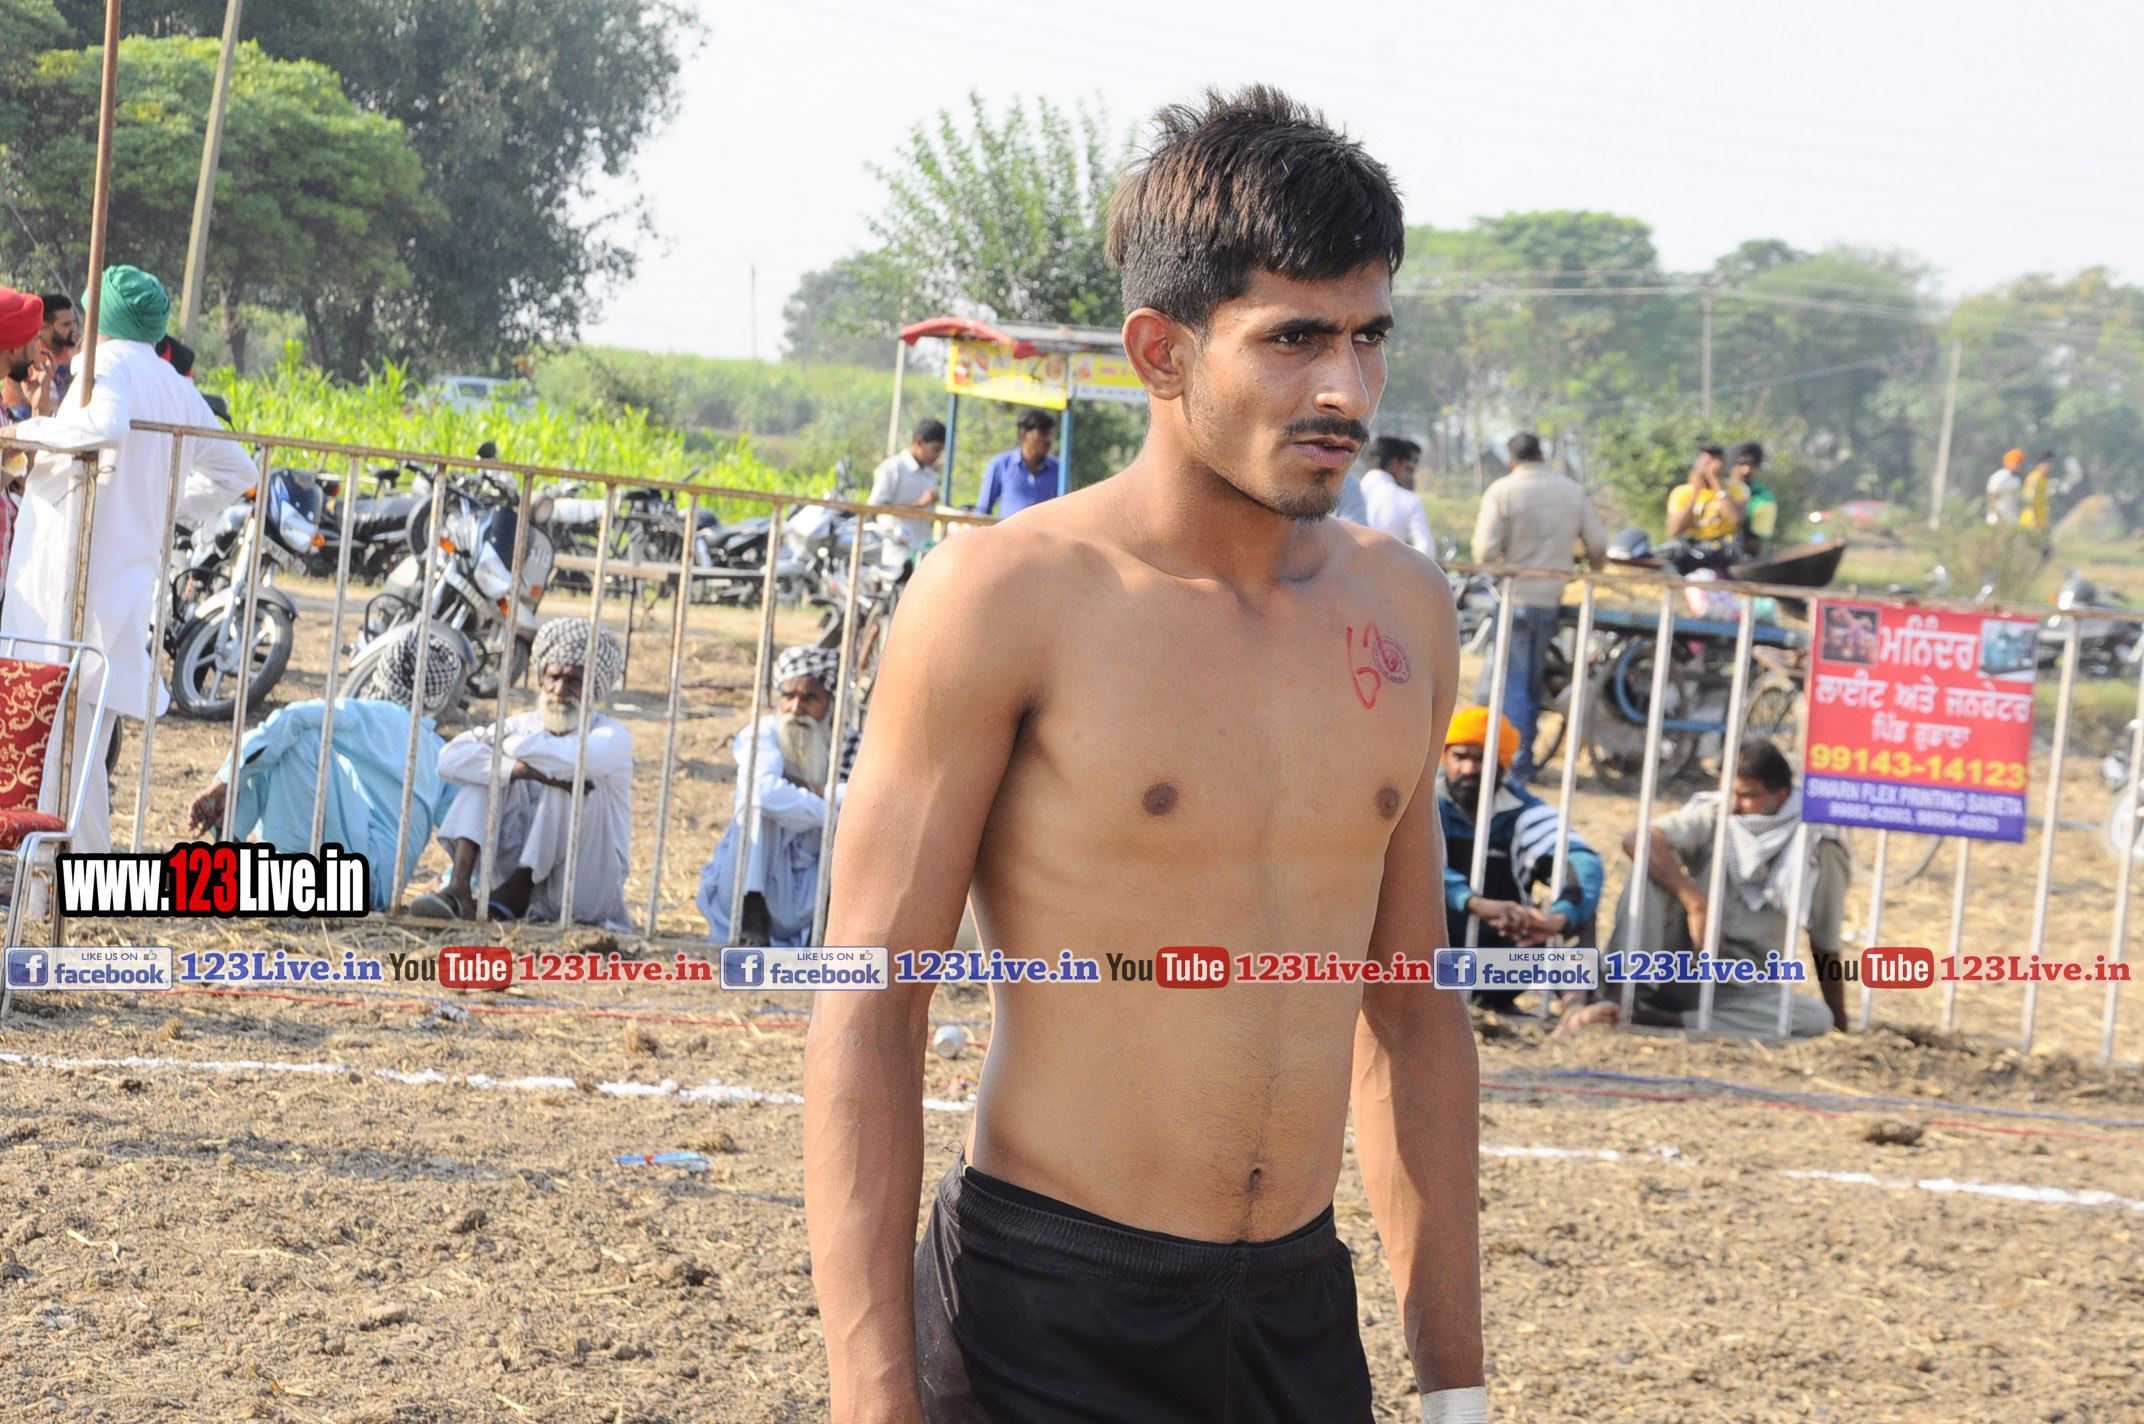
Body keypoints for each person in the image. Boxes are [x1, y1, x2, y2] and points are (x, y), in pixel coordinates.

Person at [807, 87, 1484, 1424]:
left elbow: (1409, 1011)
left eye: (1367, 337)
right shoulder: (1004, 597)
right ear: (1160, 351)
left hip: (1297, 1318)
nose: (1344, 389)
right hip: (1046, 1318)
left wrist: (1455, 1389)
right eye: (1293, 339)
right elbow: (869, 1008)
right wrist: (872, 1399)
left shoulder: (1403, 608)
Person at [2, 267, 257, 853]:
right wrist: (165, 510)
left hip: (71, 581)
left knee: (55, 747)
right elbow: (237, 471)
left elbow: (108, 425)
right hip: (123, 582)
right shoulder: (174, 385)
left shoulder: (109, 364)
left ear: (103, 318)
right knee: (81, 750)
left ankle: (61, 879)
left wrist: (26, 434)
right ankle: (64, 879)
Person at [1563, 737, 1847, 1038]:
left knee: (1816, 1017)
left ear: (1780, 796)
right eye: (1729, 792)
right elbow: (1637, 839)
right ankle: (1622, 996)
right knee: (1649, 865)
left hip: (1740, 984)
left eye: (1747, 795)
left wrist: (1840, 1022)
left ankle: (1671, 1021)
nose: (1734, 805)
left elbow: (1825, 940)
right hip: (1676, 964)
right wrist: (1696, 904)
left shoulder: (1816, 845)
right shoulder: (1715, 815)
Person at [185, 624, 460, 911]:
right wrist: (448, 881)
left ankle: (233, 847)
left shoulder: (370, 714)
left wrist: (226, 780)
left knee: (290, 736)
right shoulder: (441, 750)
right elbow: (464, 827)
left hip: (352, 869)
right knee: (273, 743)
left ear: (386, 668)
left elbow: (292, 718)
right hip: (382, 891)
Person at [416, 617, 634, 927]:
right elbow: (449, 759)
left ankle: (520, 888)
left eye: (574, 681)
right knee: (486, 775)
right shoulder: (524, 725)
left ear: (594, 687)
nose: (560, 690)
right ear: (542, 678)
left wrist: (509, 746)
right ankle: (459, 889)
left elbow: (576, 761)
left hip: (583, 887)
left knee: (567, 778)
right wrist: (523, 771)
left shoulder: (612, 736)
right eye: (553, 677)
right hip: (503, 886)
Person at [1436, 705, 1602, 1015]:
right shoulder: (1427, 803)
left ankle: (1575, 1008)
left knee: (1577, 899)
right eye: (1460, 757)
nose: (1469, 769)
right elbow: (1416, 872)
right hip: (1425, 961)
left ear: (1503, 764)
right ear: (1446, 758)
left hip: (1504, 957)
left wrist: (1557, 919)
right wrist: (1475, 903)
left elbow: (1581, 862)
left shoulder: (1520, 809)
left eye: (1482, 758)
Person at [1470, 431, 1608, 784]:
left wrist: (1504, 565)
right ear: (1542, 456)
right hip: (1550, 603)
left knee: (1512, 686)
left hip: (1515, 599)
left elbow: (1484, 552)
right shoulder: (1570, 491)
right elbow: (1598, 544)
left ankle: (1516, 765)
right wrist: (1592, 571)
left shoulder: (1502, 490)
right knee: (1530, 685)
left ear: (1511, 461)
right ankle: (1519, 757)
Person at [697, 644, 853, 947]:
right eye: (788, 696)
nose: (795, 708)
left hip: (809, 890)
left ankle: (826, 936)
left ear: (831, 703)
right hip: (747, 885)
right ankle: (751, 920)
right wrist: (831, 812)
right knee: (755, 804)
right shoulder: (763, 733)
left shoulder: (846, 744)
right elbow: (763, 791)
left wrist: (805, 792)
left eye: (810, 698)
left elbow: (867, 803)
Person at [1664, 441, 1747, 574]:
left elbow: (1735, 519)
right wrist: (1696, 492)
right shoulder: (1681, 492)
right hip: (1691, 552)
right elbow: (1674, 530)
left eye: (1715, 465)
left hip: (1724, 553)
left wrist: (1716, 483)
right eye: (1706, 464)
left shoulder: (1737, 489)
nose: (1709, 469)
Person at [869, 418, 947, 552]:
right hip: (895, 550)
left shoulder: (930, 474)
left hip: (923, 549)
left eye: (940, 451)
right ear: (919, 442)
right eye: (935, 449)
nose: (937, 455)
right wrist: (918, 504)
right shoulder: (892, 468)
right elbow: (874, 509)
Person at [974, 408, 1061, 517]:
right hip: (1009, 528)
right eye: (1043, 434)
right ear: (1024, 434)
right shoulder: (1001, 465)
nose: (1048, 440)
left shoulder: (1058, 470)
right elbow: (982, 510)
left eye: (1050, 434)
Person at [1356, 434, 1434, 554]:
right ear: (1395, 463)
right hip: (1391, 565)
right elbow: (1426, 548)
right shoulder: (1410, 500)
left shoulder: (1347, 493)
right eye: (1404, 467)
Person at [1731, 442, 1777, 559]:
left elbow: (1757, 546)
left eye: (1752, 465)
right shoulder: (1719, 490)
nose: (1747, 470)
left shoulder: (1764, 499)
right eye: (1741, 464)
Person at [1985, 448, 2025, 527]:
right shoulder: (2000, 476)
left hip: (2010, 521)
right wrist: (1997, 514)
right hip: (1996, 520)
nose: (2018, 466)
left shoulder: (2017, 480)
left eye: (2020, 464)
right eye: (2016, 463)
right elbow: (1992, 494)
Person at [2021, 450, 2054, 542]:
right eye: (2048, 465)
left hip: (2041, 523)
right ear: (2041, 464)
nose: (2050, 468)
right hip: (2031, 523)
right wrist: (2034, 523)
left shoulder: (2045, 479)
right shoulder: (2035, 478)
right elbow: (2029, 501)